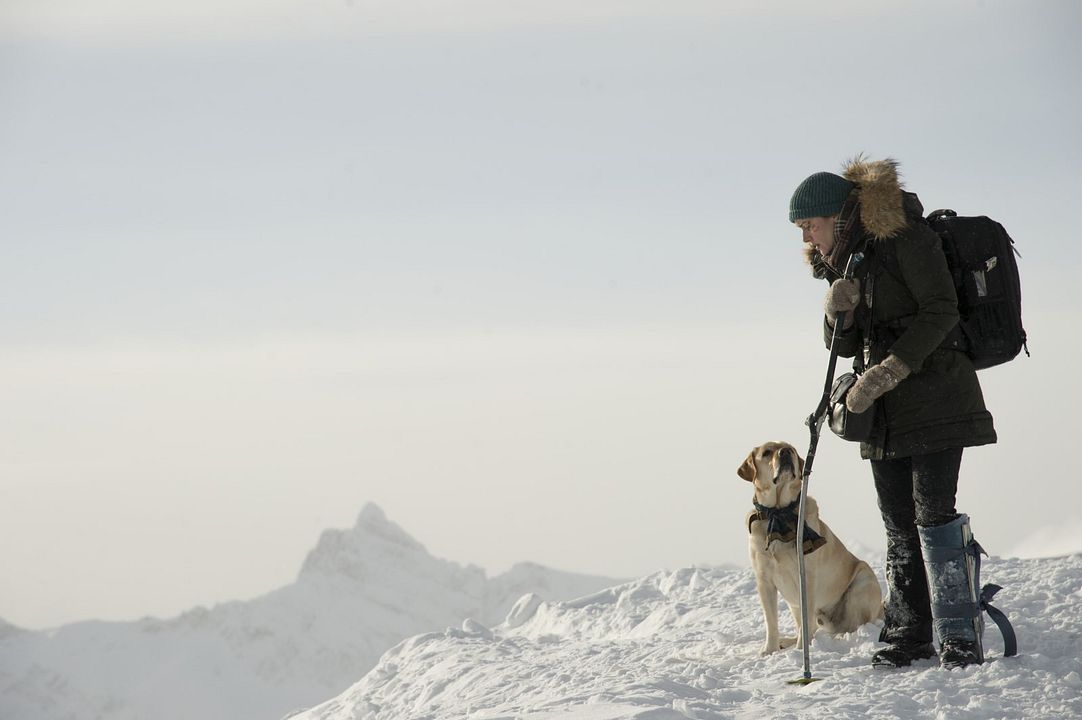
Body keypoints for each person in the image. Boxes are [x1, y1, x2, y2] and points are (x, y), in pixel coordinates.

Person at [788, 157, 997, 669]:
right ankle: (908, 633)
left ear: (837, 216)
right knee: (899, 523)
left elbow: (940, 311)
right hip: (883, 413)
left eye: (810, 226)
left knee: (933, 517)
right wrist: (838, 312)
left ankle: (958, 634)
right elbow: (848, 345)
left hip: (937, 400)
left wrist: (888, 371)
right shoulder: (849, 260)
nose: (808, 239)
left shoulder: (905, 238)